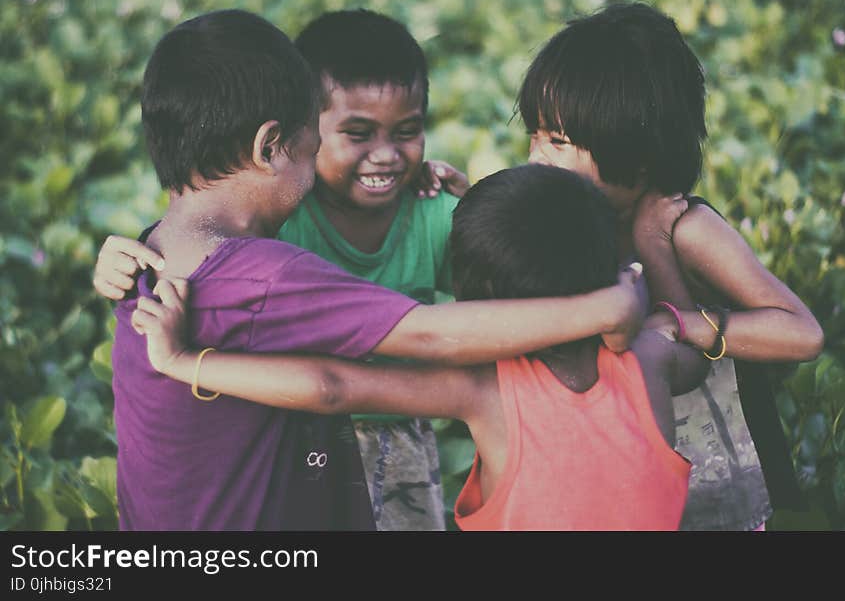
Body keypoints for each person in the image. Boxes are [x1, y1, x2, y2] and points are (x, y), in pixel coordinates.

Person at [110, 8, 644, 531]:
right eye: (312, 146)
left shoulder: (150, 253)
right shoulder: (263, 275)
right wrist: (604, 307)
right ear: (270, 146)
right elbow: (430, 335)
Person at [131, 165, 707, 531]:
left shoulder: (485, 391)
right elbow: (684, 335)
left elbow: (331, 387)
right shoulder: (651, 359)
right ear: (607, 270)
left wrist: (183, 362)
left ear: (474, 297)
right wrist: (645, 260)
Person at [517, 2, 824, 530]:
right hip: (630, 472)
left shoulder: (689, 228)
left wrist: (682, 306)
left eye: (558, 142)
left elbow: (802, 334)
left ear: (638, 164)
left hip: (728, 473)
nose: (535, 157)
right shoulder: (571, 220)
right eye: (536, 134)